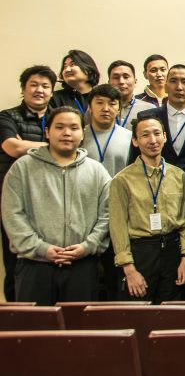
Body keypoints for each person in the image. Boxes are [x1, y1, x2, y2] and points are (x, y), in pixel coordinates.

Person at [2, 107, 111, 304]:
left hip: (83, 266)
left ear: (82, 133)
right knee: (36, 323)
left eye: (73, 128)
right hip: (34, 265)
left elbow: (107, 215)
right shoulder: (22, 168)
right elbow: (13, 214)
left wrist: (87, 246)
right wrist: (41, 248)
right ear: (47, 132)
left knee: (79, 323)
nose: (66, 133)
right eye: (59, 127)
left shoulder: (97, 171)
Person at [109, 115, 185, 302]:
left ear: (164, 136)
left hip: (172, 250)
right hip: (141, 253)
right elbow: (117, 226)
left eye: (157, 133)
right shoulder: (122, 180)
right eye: (145, 135)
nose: (153, 140)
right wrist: (128, 268)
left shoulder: (178, 175)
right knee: (139, 310)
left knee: (171, 310)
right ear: (135, 141)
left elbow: (184, 219)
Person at [0, 65, 55, 300]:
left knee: (49, 261)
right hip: (17, 199)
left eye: (45, 86)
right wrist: (52, 146)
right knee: (16, 261)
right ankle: (16, 315)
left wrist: (26, 146)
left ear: (51, 91)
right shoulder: (7, 117)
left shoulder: (58, 118)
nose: (39, 90)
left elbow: (73, 146)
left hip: (52, 199)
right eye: (33, 85)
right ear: (23, 89)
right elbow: (12, 147)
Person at [128, 64, 185, 172]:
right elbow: (134, 159)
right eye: (173, 81)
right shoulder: (146, 118)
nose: (179, 87)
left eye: (184, 81)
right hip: (155, 180)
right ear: (165, 87)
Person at [81, 84, 132, 175]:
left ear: (119, 109)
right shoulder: (80, 136)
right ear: (90, 107)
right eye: (99, 103)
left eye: (112, 104)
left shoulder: (130, 137)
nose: (105, 109)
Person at [107, 61, 141, 129]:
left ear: (135, 81)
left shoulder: (149, 108)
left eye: (126, 77)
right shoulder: (98, 109)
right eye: (116, 77)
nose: (121, 82)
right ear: (109, 83)